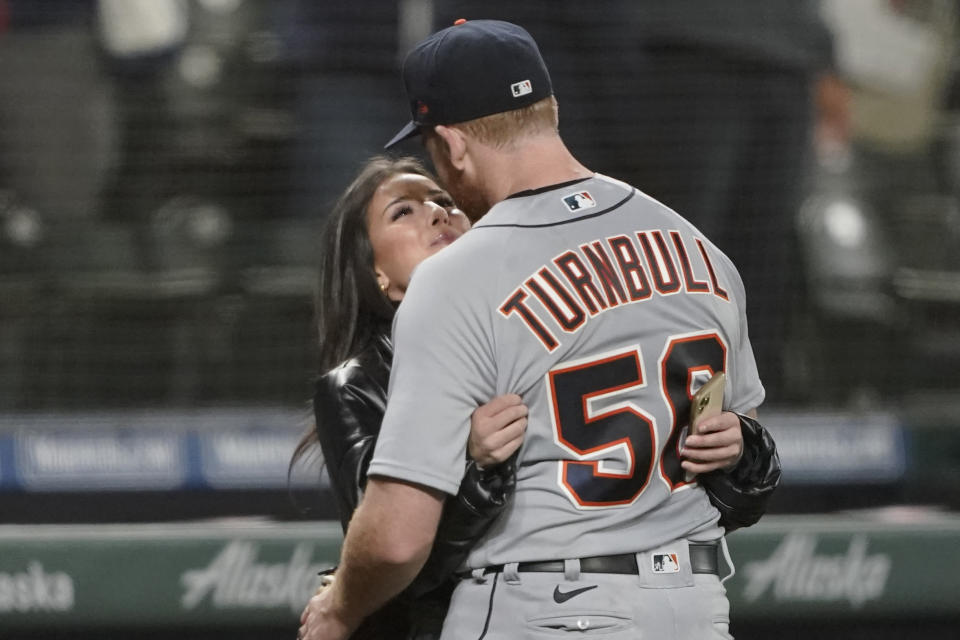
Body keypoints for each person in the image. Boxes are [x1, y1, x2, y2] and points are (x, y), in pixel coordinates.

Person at [299, 19, 780, 640]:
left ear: (453, 144)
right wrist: (741, 446)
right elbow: (740, 456)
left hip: (549, 605)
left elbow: (396, 540)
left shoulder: (457, 278)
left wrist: (340, 606)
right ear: (549, 110)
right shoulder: (699, 251)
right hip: (695, 604)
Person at [291, 155, 528, 638]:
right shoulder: (355, 386)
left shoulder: (542, 333)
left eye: (444, 202)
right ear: (375, 272)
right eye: (404, 212)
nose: (439, 213)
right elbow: (392, 561)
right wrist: (472, 462)